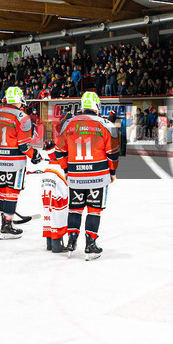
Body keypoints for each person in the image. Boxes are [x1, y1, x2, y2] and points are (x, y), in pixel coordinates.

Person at [54, 91, 119, 260]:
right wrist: (112, 172)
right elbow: (113, 153)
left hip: (75, 175)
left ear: (82, 106)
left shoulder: (68, 124)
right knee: (94, 210)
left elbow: (59, 152)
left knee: (75, 208)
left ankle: (71, 241)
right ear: (97, 106)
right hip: (98, 175)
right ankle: (90, 244)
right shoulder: (106, 124)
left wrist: (67, 170)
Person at [0, 87, 39, 241]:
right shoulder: (22, 116)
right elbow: (24, 145)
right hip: (14, 160)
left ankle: (5, 221)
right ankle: (7, 226)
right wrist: (34, 155)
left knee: (4, 190)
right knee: (11, 191)